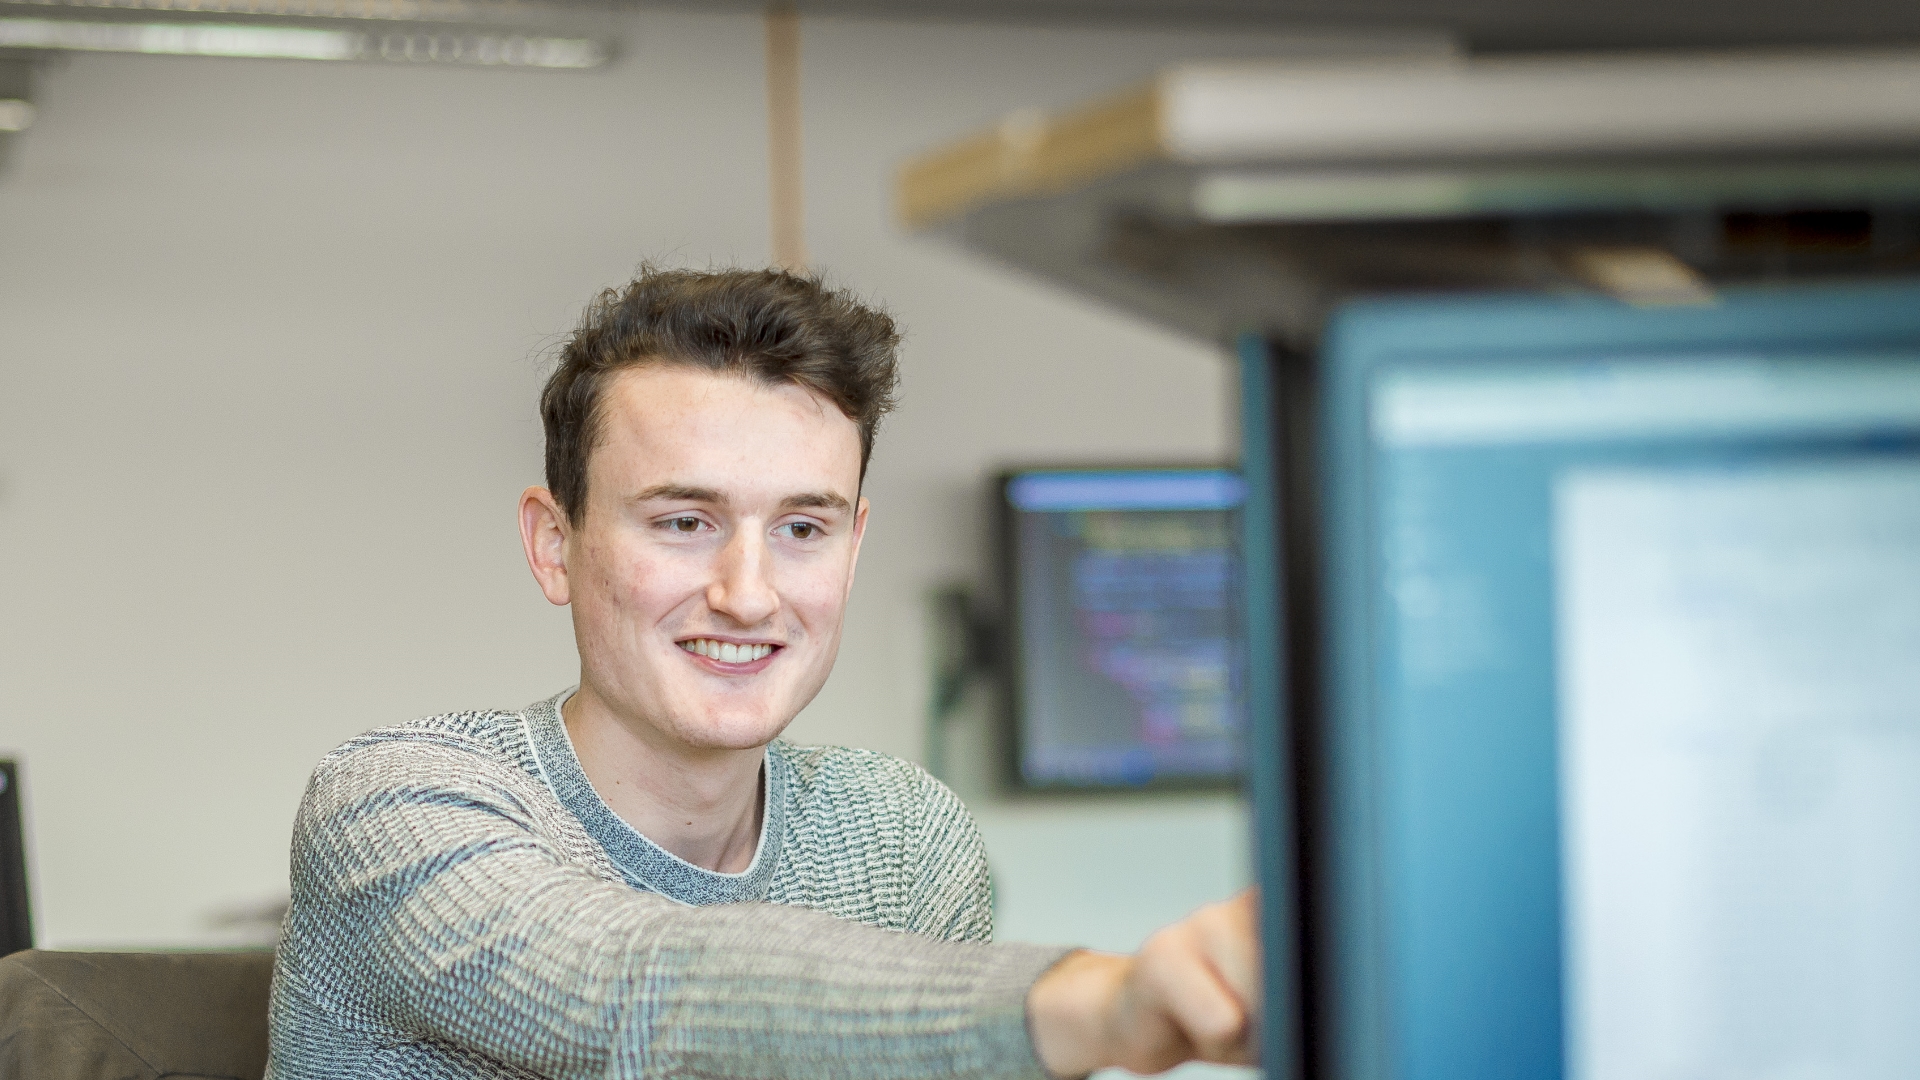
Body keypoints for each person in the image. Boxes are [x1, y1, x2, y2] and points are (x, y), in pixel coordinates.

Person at [267, 267, 1259, 1080]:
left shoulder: (899, 842)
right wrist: (1096, 1001)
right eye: (684, 522)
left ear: (853, 549)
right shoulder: (397, 803)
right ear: (554, 542)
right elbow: (626, 993)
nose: (748, 593)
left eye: (801, 528)